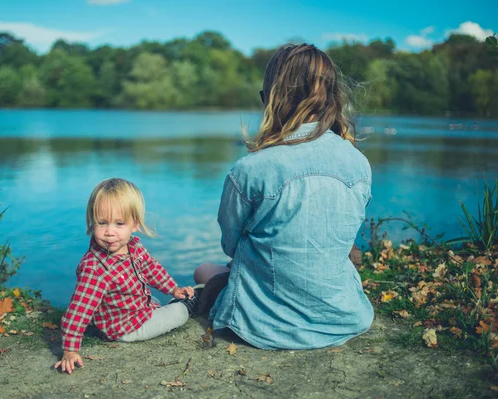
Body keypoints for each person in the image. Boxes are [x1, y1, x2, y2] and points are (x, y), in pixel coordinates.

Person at [194, 43, 374, 350]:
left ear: (271, 100)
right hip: (344, 319)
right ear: (332, 99)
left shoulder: (250, 169)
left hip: (264, 327)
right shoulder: (358, 163)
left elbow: (231, 246)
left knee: (204, 270)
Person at [55, 178, 199, 374]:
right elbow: (78, 312)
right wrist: (70, 350)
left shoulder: (133, 246)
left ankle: (176, 298)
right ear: (92, 222)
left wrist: (173, 288)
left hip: (132, 310)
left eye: (119, 223)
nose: (109, 232)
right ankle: (188, 305)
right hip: (124, 328)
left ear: (135, 224)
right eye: (102, 223)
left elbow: (152, 269)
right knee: (178, 314)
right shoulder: (95, 269)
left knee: (154, 299)